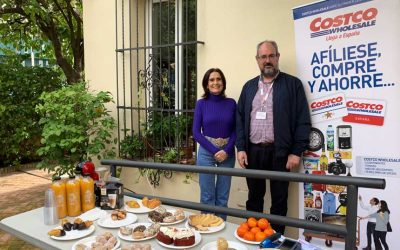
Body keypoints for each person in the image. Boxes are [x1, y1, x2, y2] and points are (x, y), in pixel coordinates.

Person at [236, 40, 311, 234]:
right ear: (257, 60)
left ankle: (275, 242)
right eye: (263, 57)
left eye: (271, 56)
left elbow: (303, 120)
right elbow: (240, 119)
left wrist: (296, 152)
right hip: (253, 152)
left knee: (279, 201)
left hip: (281, 153)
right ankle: (253, 239)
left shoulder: (292, 85)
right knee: (254, 199)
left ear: (277, 57)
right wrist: (241, 147)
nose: (267, 60)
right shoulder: (249, 87)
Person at [192, 68, 236, 220]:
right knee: (207, 197)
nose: (215, 82)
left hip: (228, 152)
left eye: (218, 79)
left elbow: (237, 130)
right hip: (206, 151)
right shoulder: (201, 104)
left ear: (223, 82)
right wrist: (214, 150)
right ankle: (207, 230)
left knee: (222, 199)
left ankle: (221, 230)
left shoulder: (231, 103)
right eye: (211, 80)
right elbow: (196, 132)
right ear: (206, 83)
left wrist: (227, 151)